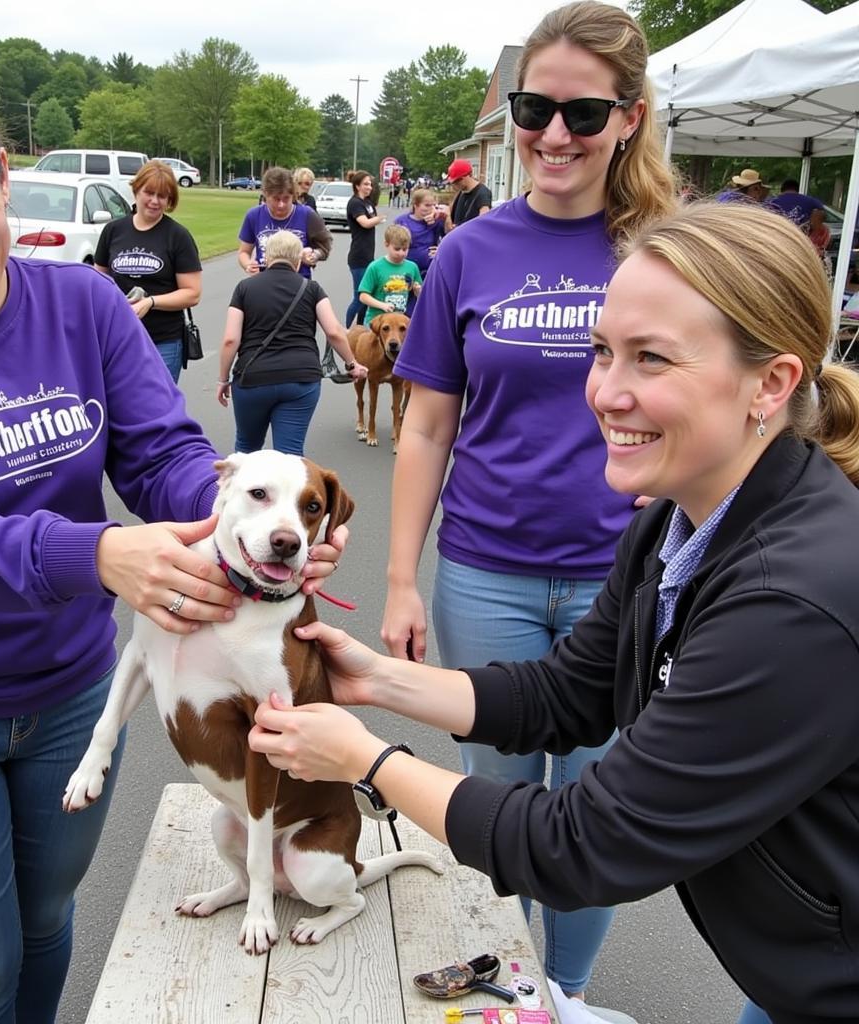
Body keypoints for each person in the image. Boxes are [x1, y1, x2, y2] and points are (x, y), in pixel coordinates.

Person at [251, 201, 859, 1024]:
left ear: (772, 384)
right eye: (602, 352)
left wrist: (367, 761)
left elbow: (586, 846)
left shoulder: (793, 601)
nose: (606, 392)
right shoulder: (672, 521)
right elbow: (568, 693)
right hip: (788, 965)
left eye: (652, 359)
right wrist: (384, 682)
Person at [0, 50, 345, 1024]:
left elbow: (161, 454)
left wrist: (248, 514)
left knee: (39, 924)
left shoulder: (84, 304)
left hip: (66, 693)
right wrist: (96, 553)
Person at [378, 0, 676, 1006]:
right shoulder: (467, 250)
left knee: (598, 810)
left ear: (628, 118)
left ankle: (566, 991)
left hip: (624, 576)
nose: (553, 133)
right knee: (495, 801)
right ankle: (503, 977)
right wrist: (398, 582)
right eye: (533, 106)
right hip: (484, 570)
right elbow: (424, 428)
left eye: (583, 114)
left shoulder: (670, 253)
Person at [217, 230, 366, 455]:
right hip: (301, 379)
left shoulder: (244, 289)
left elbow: (230, 340)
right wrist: (351, 363)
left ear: (266, 258)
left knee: (246, 448)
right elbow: (334, 331)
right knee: (290, 453)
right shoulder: (312, 289)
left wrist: (222, 379)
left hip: (253, 378)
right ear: (298, 260)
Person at [94, 159, 201, 385]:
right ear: (136, 190)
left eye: (162, 196)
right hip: (118, 338)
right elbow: (98, 281)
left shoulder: (177, 236)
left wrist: (150, 302)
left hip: (163, 342)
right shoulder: (113, 231)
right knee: (119, 404)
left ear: (170, 200)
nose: (154, 201)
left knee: (157, 408)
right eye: (149, 193)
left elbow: (192, 293)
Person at [237, 166, 331, 278]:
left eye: (286, 198)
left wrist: (313, 255)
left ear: (293, 195)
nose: (281, 204)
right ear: (266, 194)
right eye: (276, 199)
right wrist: (248, 264)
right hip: (264, 283)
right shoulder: (254, 216)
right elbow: (243, 252)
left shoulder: (307, 215)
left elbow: (325, 247)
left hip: (298, 284)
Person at [344, 169, 386, 327]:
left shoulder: (367, 202)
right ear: (357, 186)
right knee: (359, 297)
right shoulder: (355, 203)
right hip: (358, 257)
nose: (369, 187)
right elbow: (365, 223)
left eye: (370, 184)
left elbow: (371, 218)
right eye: (366, 184)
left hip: (369, 256)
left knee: (366, 296)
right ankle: (346, 330)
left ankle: (360, 328)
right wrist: (379, 218)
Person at [358, 224, 423, 321]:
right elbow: (363, 296)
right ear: (386, 244)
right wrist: (382, 305)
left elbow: (421, 295)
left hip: (398, 321)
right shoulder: (375, 267)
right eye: (397, 249)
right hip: (377, 320)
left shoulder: (412, 267)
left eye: (405, 249)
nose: (401, 253)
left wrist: (418, 290)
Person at [393, 187, 446, 277]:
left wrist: (441, 250)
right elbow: (394, 245)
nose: (431, 208)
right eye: (427, 205)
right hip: (407, 269)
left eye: (433, 205)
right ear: (416, 205)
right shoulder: (402, 221)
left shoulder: (437, 221)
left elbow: (450, 237)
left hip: (429, 269)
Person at [443, 158, 492, 230]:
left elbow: (483, 222)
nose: (454, 185)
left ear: (467, 176)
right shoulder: (462, 191)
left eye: (457, 181)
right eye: (453, 183)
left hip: (470, 237)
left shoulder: (482, 193)